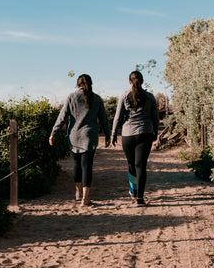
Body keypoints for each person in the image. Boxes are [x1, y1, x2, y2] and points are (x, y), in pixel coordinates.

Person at [49, 74, 110, 206]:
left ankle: (77, 193)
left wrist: (53, 133)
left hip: (74, 136)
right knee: (87, 167)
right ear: (91, 83)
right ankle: (85, 199)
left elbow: (62, 117)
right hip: (89, 136)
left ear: (77, 84)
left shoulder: (71, 97)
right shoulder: (97, 99)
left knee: (77, 165)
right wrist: (108, 135)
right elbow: (104, 120)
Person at [111, 70, 159, 207]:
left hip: (128, 135)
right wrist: (155, 132)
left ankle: (133, 190)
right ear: (142, 81)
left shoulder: (124, 96)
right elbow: (155, 118)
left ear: (129, 82)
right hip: (145, 134)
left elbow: (118, 117)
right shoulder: (149, 97)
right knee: (141, 166)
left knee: (131, 164)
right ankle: (140, 198)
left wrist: (113, 134)